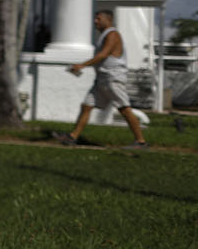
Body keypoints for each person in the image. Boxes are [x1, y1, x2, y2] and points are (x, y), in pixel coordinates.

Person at [59, 10, 146, 148]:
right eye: (95, 19)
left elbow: (104, 54)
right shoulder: (104, 35)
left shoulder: (112, 34)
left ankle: (140, 142)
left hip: (113, 78)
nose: (95, 21)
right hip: (102, 79)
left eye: (98, 19)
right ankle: (72, 137)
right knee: (86, 106)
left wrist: (82, 65)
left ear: (108, 20)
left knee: (124, 109)